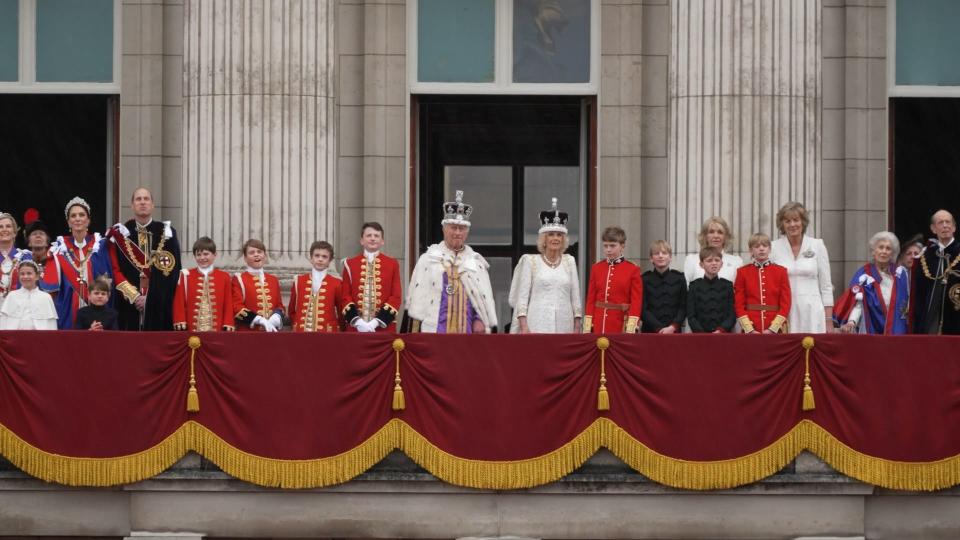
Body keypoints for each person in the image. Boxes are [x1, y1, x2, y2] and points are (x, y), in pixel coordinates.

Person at [406, 190, 497, 333]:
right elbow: (417, 299)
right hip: (435, 328)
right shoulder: (428, 259)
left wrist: (480, 319)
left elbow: (481, 297)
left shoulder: (476, 262)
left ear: (467, 232)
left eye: (462, 229)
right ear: (444, 229)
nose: (457, 233)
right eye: (453, 228)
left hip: (467, 330)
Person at [106, 188, 182, 330]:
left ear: (153, 205)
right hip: (128, 305)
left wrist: (150, 298)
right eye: (138, 199)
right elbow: (114, 269)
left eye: (146, 199)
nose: (142, 202)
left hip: (159, 305)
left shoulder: (167, 232)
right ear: (132, 205)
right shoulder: (121, 234)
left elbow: (172, 271)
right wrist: (134, 296)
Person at [507, 198, 582, 333]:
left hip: (565, 325)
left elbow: (575, 297)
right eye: (551, 235)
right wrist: (524, 327)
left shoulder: (569, 261)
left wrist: (577, 326)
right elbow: (522, 298)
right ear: (544, 239)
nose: (555, 238)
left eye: (559, 235)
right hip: (536, 324)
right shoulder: (531, 262)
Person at [770, 202, 834, 333]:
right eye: (787, 221)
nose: (792, 224)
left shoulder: (817, 245)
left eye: (796, 220)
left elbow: (826, 285)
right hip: (783, 312)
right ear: (782, 224)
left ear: (803, 222)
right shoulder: (773, 247)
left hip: (812, 310)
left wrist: (828, 320)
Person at [50, 197, 114, 329]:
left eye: (82, 215)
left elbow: (106, 279)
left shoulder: (99, 246)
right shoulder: (59, 249)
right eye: (73, 216)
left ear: (88, 220)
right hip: (67, 309)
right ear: (68, 222)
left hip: (96, 307)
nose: (77, 218)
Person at [834, 231, 909, 335]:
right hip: (871, 329)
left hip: (897, 330)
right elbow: (857, 303)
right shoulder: (863, 274)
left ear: (892, 253)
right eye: (880, 247)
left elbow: (907, 303)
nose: (884, 251)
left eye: (888, 248)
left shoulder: (900, 274)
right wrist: (852, 321)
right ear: (873, 251)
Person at [341, 223, 402, 333]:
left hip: (383, 327)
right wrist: (358, 322)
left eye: (376, 236)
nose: (373, 238)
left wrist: (376, 322)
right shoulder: (349, 264)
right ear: (362, 241)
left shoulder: (392, 264)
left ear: (382, 241)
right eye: (369, 235)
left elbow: (396, 296)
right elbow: (345, 296)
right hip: (355, 328)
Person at [584, 226, 642, 334]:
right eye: (605, 246)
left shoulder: (632, 269)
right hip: (598, 322)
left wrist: (631, 326)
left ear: (622, 246)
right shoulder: (596, 268)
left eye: (612, 246)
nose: (608, 249)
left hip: (620, 323)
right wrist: (588, 325)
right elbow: (591, 299)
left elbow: (636, 301)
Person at [911, 210, 960, 335]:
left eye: (948, 222)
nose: (945, 226)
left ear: (954, 227)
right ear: (933, 229)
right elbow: (919, 293)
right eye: (940, 223)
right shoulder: (925, 256)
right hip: (931, 320)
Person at [172, 237, 235, 332]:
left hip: (217, 330)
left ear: (215, 255)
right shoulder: (185, 275)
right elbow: (179, 301)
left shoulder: (224, 276)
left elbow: (228, 302)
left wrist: (228, 322)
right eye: (198, 255)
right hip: (191, 330)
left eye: (206, 254)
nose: (202, 258)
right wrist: (180, 320)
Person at [734, 233, 791, 334]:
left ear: (769, 249)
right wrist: (749, 329)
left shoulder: (781, 271)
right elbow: (739, 304)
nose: (761, 249)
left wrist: (773, 328)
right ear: (751, 250)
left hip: (775, 328)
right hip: (751, 327)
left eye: (765, 246)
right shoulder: (742, 272)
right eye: (757, 246)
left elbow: (785, 303)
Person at [289, 241, 347, 332]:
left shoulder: (337, 283)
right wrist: (297, 325)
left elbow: (341, 313)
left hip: (327, 335)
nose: (320, 259)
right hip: (300, 334)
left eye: (324, 257)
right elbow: (292, 310)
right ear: (311, 258)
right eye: (317, 255)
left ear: (329, 261)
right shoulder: (299, 281)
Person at [232, 239, 284, 332]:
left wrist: (277, 316)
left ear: (265, 256)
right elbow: (236, 307)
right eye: (251, 252)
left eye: (259, 251)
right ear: (245, 258)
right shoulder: (239, 279)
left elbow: (279, 306)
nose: (256, 254)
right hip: (248, 334)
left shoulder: (273, 280)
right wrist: (259, 320)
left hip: (272, 333)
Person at [686, 246, 736, 333]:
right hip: (700, 336)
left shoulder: (727, 285)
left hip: (723, 335)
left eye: (717, 260)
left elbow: (732, 314)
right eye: (709, 260)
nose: (714, 263)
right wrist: (702, 333)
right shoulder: (694, 286)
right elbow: (691, 315)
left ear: (721, 264)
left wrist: (721, 330)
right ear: (701, 264)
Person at [640, 240, 686, 333]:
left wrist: (673, 326)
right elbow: (643, 308)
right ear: (651, 258)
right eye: (656, 253)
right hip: (650, 331)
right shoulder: (644, 279)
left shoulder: (679, 278)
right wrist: (658, 327)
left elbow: (683, 306)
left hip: (674, 331)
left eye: (664, 253)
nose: (660, 256)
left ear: (670, 257)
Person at [683, 217, 743, 284]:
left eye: (720, 232)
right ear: (705, 236)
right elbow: (686, 287)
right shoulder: (692, 260)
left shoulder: (736, 261)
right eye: (711, 232)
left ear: (726, 237)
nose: (716, 236)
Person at [0, 260, 57, 330]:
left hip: (39, 339)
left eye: (29, 273)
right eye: (22, 274)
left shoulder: (45, 297)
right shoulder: (12, 296)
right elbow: (3, 322)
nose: (25, 276)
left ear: (37, 276)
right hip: (15, 338)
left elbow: (51, 324)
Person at [0, 212, 33, 310]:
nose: (5, 229)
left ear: (14, 232)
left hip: (20, 314)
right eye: (1, 226)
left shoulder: (25, 257)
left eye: (8, 226)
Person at [21, 210, 58, 295]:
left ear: (47, 241)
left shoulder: (57, 260)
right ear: (29, 242)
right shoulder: (22, 261)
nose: (38, 236)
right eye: (34, 234)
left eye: (41, 233)